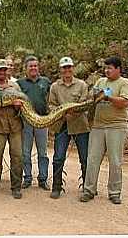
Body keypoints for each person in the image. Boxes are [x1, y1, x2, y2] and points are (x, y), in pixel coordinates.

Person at [80, 56, 128, 204]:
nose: (107, 71)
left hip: (116, 126)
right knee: (92, 159)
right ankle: (89, 190)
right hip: (98, 126)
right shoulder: (101, 82)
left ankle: (114, 193)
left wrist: (108, 96)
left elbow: (126, 102)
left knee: (115, 161)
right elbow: (92, 97)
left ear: (118, 69)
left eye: (110, 68)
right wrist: (96, 94)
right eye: (105, 68)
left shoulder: (125, 83)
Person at [48, 57, 90, 199]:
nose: (67, 70)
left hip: (80, 125)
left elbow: (84, 104)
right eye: (64, 67)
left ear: (73, 68)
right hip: (62, 125)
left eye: (69, 67)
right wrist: (62, 114)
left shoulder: (82, 85)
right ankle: (56, 187)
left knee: (85, 158)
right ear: (60, 70)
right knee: (58, 157)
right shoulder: (55, 87)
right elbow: (51, 105)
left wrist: (72, 112)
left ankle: (87, 187)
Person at [0, 59, 24, 198]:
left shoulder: (15, 86)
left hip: (15, 126)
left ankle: (16, 187)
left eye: (4, 69)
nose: (2, 72)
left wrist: (18, 107)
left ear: (8, 71)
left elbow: (23, 107)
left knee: (18, 156)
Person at [17, 55, 51, 191]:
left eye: (35, 66)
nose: (33, 68)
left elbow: (51, 99)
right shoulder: (20, 83)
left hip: (42, 121)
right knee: (25, 151)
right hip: (26, 121)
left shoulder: (46, 82)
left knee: (43, 152)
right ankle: (27, 178)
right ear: (26, 68)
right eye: (30, 66)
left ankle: (43, 179)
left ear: (39, 67)